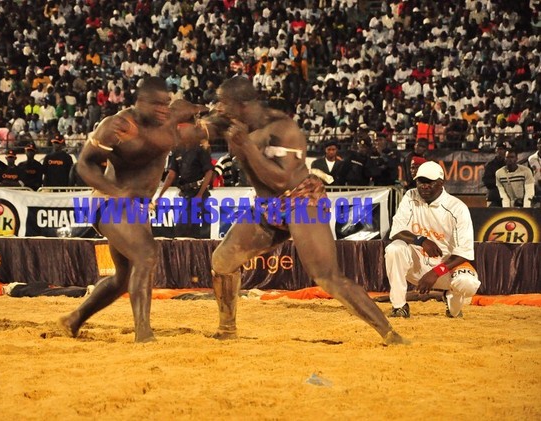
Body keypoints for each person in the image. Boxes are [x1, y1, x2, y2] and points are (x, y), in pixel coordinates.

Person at [209, 77, 405, 345]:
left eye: (223, 102)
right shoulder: (232, 124)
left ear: (240, 104)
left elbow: (280, 180)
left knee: (327, 276)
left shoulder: (280, 127)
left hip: (301, 200)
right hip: (268, 206)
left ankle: (390, 334)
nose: (219, 106)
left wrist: (246, 146)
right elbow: (195, 129)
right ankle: (227, 329)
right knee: (222, 261)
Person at [58, 77, 207, 342]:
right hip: (109, 200)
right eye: (156, 104)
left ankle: (74, 319)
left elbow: (197, 109)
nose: (162, 109)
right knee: (146, 253)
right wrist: (116, 191)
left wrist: (209, 113)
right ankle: (144, 334)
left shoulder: (172, 115)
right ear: (140, 102)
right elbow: (84, 164)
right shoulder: (118, 125)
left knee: (123, 279)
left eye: (166, 103)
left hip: (136, 207)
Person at [385, 161, 481, 319]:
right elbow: (396, 231)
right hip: (417, 265)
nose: (424, 186)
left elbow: (464, 253)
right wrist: (421, 240)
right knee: (394, 248)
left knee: (467, 283)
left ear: (441, 183)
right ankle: (399, 306)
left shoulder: (457, 208)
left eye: (430, 182)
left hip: (446, 267)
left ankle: (451, 299)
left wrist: (436, 272)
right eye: (420, 181)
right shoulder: (410, 196)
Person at [155, 143, 214, 238]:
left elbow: (209, 172)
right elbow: (171, 175)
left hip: (198, 193)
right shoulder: (177, 151)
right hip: (186, 194)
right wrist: (160, 195)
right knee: (191, 229)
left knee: (183, 228)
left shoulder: (200, 149)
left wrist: (200, 194)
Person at [482, 142, 507, 207]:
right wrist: (499, 182)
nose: (500, 151)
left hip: (507, 197)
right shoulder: (490, 165)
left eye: (502, 149)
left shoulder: (508, 164)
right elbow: (486, 181)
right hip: (494, 196)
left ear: (505, 151)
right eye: (498, 149)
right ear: (495, 150)